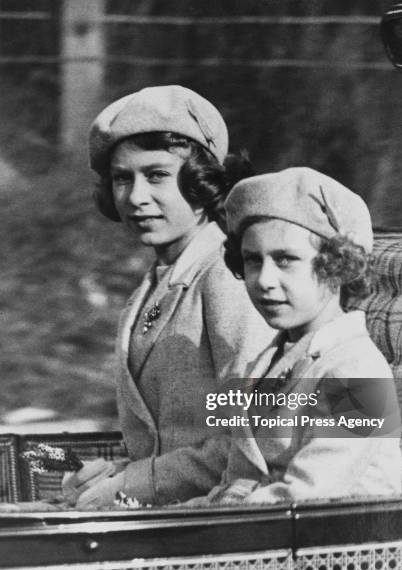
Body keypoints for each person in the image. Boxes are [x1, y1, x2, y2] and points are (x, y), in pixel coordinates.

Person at [62, 85, 274, 508]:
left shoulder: (228, 276)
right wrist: (117, 474)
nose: (136, 198)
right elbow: (166, 440)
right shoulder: (154, 284)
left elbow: (255, 437)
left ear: (202, 180)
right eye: (123, 178)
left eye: (156, 175)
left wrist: (134, 483)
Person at [190, 167, 402, 506]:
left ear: (337, 266)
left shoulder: (357, 370)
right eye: (252, 261)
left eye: (285, 260)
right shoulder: (269, 361)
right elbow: (242, 478)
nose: (264, 280)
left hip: (341, 548)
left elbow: (309, 494)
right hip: (265, 537)